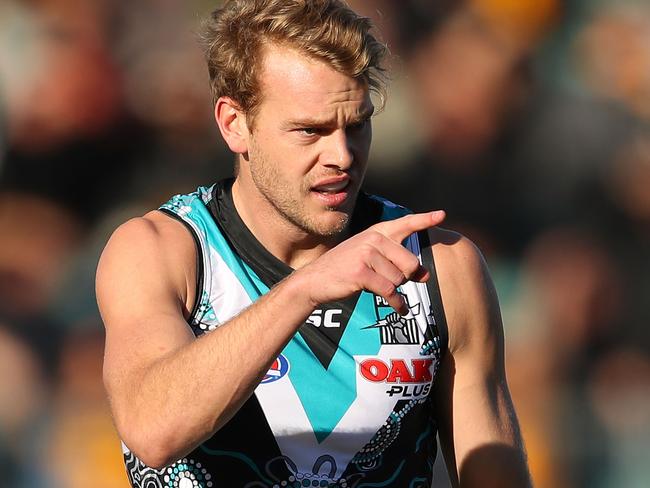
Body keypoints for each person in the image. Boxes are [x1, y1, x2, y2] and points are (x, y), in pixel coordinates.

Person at [96, 1, 531, 486]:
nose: (342, 156)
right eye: (310, 131)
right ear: (233, 123)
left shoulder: (441, 269)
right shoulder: (163, 251)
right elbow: (153, 431)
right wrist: (305, 289)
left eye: (357, 124)